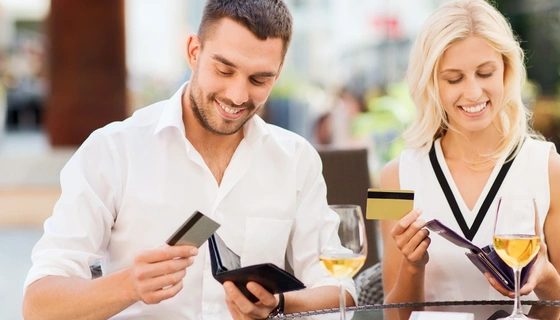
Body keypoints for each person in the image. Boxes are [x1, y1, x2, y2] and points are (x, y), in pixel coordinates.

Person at [22, 1, 356, 319]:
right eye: (224, 70)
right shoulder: (114, 150)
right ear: (194, 52)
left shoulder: (296, 160)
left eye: (259, 79)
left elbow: (340, 291)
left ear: (278, 72)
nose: (237, 96)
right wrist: (129, 285)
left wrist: (279, 305)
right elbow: (39, 305)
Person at [379, 0, 560, 319]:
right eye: (454, 79)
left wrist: (546, 277)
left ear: (507, 70)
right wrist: (412, 266)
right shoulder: (391, 179)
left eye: (485, 73)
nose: (474, 92)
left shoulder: (552, 169)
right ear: (431, 83)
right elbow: (390, 315)